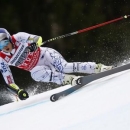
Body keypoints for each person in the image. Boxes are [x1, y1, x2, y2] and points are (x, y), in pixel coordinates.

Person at [0, 28, 112, 100]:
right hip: (38, 67)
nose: (4, 47)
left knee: (65, 67)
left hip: (46, 55)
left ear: (9, 38)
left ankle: (99, 68)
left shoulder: (18, 37)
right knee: (34, 74)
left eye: (4, 42)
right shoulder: (2, 58)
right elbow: (9, 80)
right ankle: (69, 79)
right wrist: (18, 91)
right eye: (0, 46)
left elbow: (37, 39)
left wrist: (34, 44)